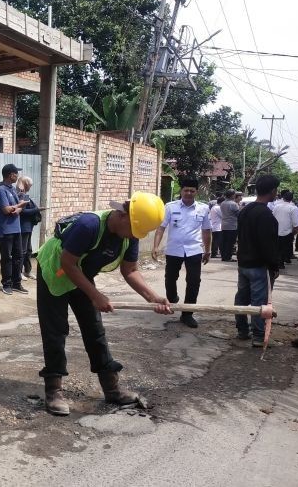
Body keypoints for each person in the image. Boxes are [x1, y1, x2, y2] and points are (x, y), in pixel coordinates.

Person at [36, 192, 171, 416]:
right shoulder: (89, 225)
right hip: (56, 272)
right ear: (122, 215)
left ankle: (112, 388)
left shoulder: (130, 234)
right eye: (135, 229)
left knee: (94, 329)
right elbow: (68, 263)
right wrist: (96, 295)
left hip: (82, 275)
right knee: (55, 331)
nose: (135, 235)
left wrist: (152, 297)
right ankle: (53, 391)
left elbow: (130, 270)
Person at [151, 177, 212, 328]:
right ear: (181, 191)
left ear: (196, 192)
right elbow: (161, 228)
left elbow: (206, 231)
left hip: (194, 250)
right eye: (186, 190)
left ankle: (187, 314)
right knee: (170, 278)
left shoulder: (203, 208)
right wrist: (155, 246)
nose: (189, 193)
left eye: (192, 190)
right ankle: (172, 298)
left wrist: (208, 250)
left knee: (194, 282)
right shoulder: (170, 207)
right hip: (174, 249)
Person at [234, 175, 280, 347]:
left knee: (241, 298)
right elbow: (268, 245)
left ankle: (242, 330)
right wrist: (274, 265)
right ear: (273, 191)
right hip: (259, 265)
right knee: (259, 302)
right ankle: (259, 337)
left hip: (243, 263)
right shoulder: (265, 215)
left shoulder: (245, 210)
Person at [0, 164, 29, 295]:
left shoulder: (13, 190)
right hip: (6, 230)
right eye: (16, 174)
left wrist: (17, 208)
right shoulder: (1, 190)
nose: (17, 176)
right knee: (7, 258)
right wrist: (19, 205)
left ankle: (16, 283)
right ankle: (6, 284)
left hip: (16, 229)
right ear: (10, 175)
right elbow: (6, 209)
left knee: (18, 256)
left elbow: (16, 209)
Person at [16, 176, 42, 280]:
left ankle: (27, 271)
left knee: (28, 250)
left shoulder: (25, 194)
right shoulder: (20, 194)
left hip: (28, 227)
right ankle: (19, 272)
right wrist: (37, 209)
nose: (30, 187)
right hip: (23, 227)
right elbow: (22, 211)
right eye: (30, 185)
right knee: (22, 251)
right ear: (25, 183)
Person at [271, 190, 298, 268]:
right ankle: (281, 263)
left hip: (276, 231)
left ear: (283, 198)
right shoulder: (293, 208)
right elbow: (295, 223)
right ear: (291, 199)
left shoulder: (276, 206)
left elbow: (272, 217)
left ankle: (276, 262)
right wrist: (294, 232)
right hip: (287, 232)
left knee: (277, 248)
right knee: (284, 248)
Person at [219, 189, 240, 261]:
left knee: (224, 242)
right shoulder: (233, 204)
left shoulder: (223, 203)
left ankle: (224, 256)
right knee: (230, 243)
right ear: (232, 195)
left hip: (224, 225)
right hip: (232, 226)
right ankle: (228, 257)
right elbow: (238, 214)